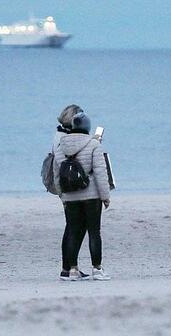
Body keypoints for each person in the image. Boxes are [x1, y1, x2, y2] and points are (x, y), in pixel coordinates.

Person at [52, 109, 112, 281]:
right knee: (94, 232)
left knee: (72, 231)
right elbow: (100, 172)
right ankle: (97, 269)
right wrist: (105, 196)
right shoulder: (94, 144)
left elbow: (57, 173)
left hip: (70, 196)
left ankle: (72, 270)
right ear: (87, 127)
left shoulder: (60, 145)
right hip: (91, 195)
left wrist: (61, 194)